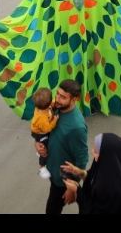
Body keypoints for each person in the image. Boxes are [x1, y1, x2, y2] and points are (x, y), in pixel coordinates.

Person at [35, 79, 88, 214]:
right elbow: (42, 127)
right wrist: (37, 142)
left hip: (62, 180)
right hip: (52, 170)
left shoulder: (76, 127)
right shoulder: (56, 108)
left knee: (52, 210)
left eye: (63, 97)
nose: (57, 99)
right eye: (57, 94)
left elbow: (82, 158)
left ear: (75, 99)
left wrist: (72, 186)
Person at [61, 133, 121, 214]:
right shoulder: (107, 169)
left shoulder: (115, 192)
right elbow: (93, 177)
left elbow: (93, 211)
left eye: (96, 151)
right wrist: (80, 172)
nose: (92, 152)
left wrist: (77, 190)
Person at [31, 87, 58, 180]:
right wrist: (54, 120)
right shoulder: (42, 118)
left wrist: (55, 103)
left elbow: (51, 105)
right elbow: (48, 128)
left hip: (40, 129)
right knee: (44, 150)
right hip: (41, 133)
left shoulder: (42, 107)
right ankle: (42, 166)